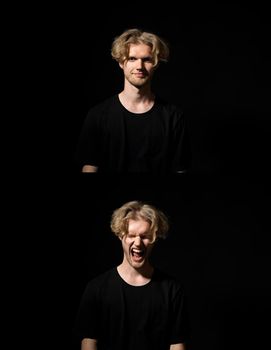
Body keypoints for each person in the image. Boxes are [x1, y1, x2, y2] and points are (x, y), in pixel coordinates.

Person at [73, 200, 190, 350]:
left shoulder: (172, 290)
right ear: (120, 236)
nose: (137, 243)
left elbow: (177, 344)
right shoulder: (96, 289)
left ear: (155, 239)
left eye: (145, 236)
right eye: (131, 235)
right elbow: (89, 342)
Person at [75, 28, 191, 174]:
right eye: (132, 58)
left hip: (158, 197)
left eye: (147, 59)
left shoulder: (173, 117)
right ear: (121, 63)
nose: (139, 66)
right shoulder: (98, 116)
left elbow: (180, 172)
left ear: (155, 64)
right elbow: (89, 169)